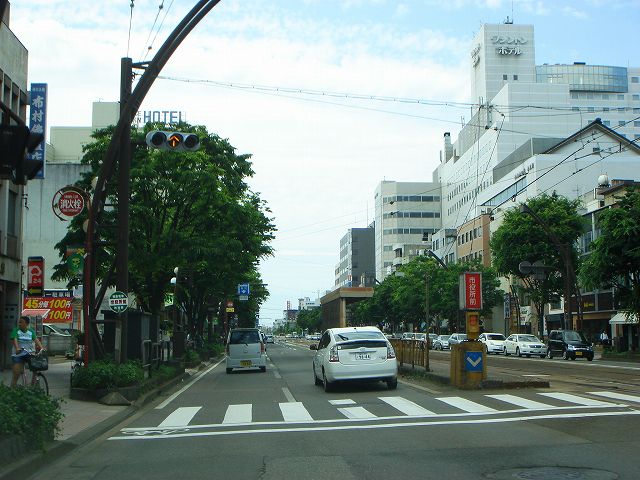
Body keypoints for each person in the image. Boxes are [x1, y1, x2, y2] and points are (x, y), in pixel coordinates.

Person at [10, 316, 45, 387]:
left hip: (29, 353)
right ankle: (12, 389)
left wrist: (41, 348)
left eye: (21, 322)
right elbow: (15, 339)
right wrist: (17, 348)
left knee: (36, 368)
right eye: (19, 322)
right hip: (18, 354)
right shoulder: (16, 330)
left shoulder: (31, 331)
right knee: (16, 373)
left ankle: (32, 386)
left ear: (26, 324)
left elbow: (36, 340)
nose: (19, 324)